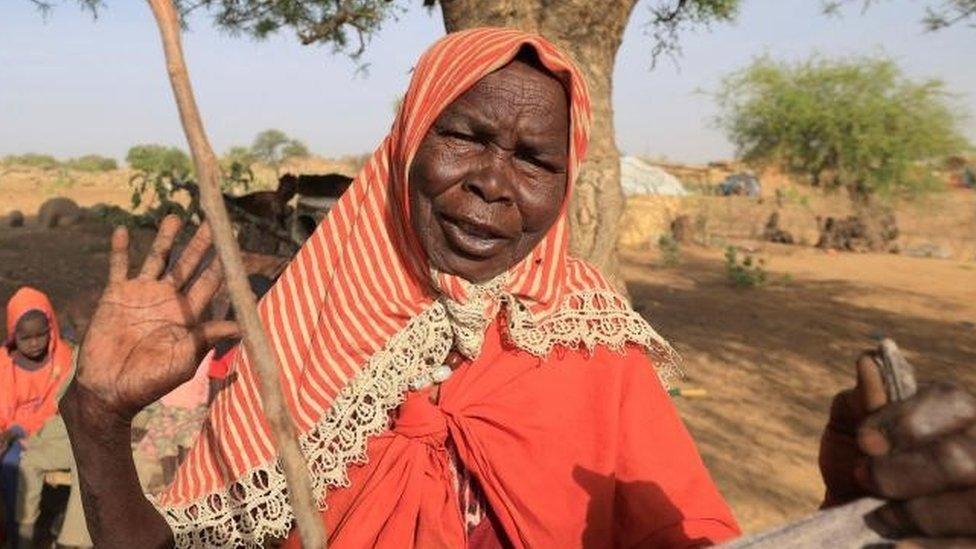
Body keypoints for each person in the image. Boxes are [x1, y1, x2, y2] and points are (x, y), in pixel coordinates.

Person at [61, 28, 976, 548]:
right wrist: (97, 419)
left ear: (565, 186)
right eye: (465, 137)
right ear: (406, 144)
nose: (495, 183)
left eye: (536, 159)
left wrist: (852, 517)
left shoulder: (594, 356)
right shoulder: (300, 339)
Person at [0, 287, 89, 547]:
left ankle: (21, 534)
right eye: (26, 337)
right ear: (12, 333)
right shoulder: (4, 364)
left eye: (41, 334)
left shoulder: (63, 359)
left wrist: (16, 431)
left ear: (52, 326)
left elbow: (56, 407)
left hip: (44, 433)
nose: (35, 342)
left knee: (15, 466)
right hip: (8, 431)